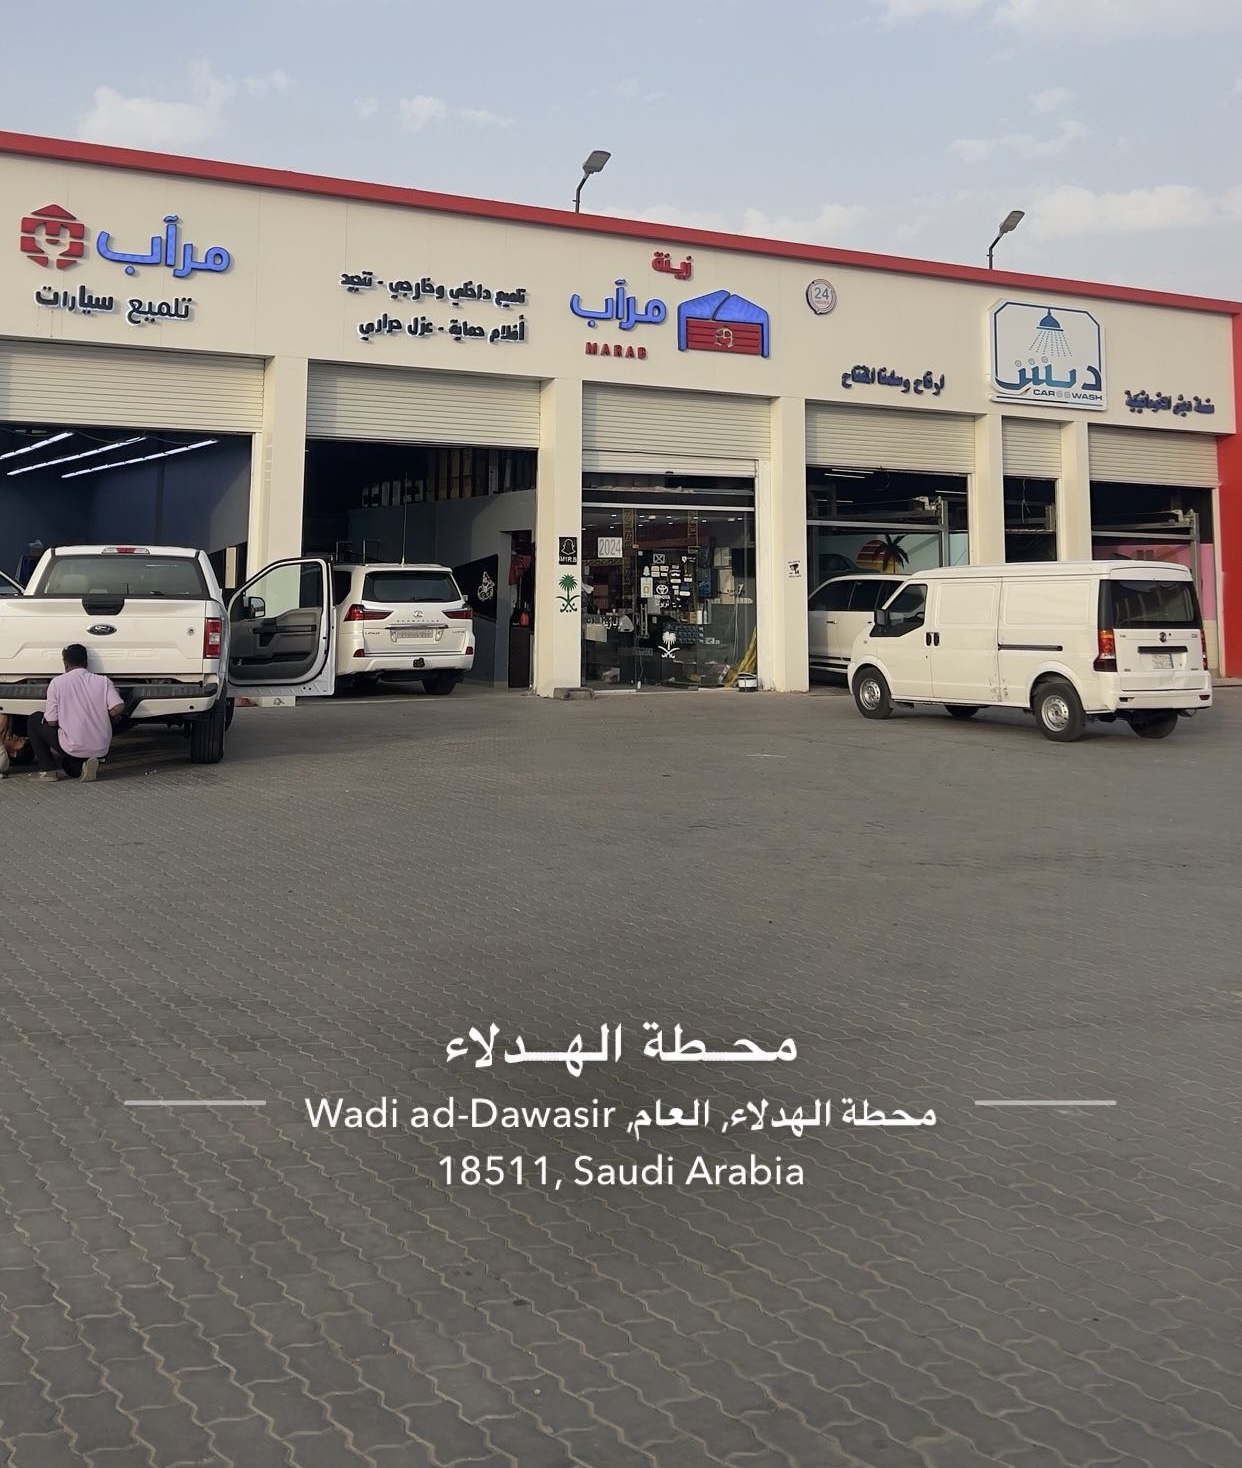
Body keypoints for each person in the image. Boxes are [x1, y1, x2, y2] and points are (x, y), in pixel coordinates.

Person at [27, 645, 123, 783]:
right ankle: (85, 765)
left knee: (35, 719)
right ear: (86, 662)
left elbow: (52, 722)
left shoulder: (57, 683)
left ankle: (48, 770)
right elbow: (118, 706)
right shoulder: (103, 681)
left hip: (73, 746)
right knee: (70, 769)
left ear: (65, 664)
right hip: (101, 748)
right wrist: (105, 716)